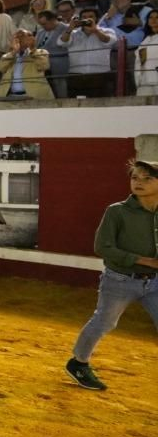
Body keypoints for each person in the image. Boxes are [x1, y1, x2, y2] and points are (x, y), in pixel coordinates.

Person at [66, 149, 158, 391]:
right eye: (135, 177)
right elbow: (102, 247)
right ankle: (78, 363)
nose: (138, 182)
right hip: (119, 280)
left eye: (147, 178)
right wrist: (146, 261)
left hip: (155, 282)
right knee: (104, 322)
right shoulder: (116, 211)